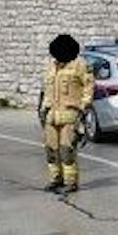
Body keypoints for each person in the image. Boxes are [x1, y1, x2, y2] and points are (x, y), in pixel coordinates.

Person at [39, 33, 94, 192]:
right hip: (51, 116)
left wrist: (84, 106)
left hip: (70, 115)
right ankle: (56, 179)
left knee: (66, 149)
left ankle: (71, 182)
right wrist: (43, 109)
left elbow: (88, 86)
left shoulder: (80, 65)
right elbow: (47, 90)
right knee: (51, 149)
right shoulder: (51, 66)